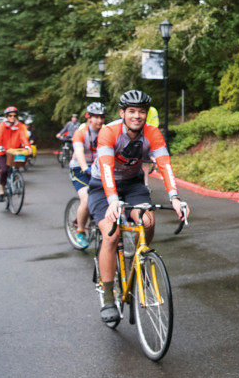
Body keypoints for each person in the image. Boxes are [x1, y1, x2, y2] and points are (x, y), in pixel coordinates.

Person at [87, 90, 188, 323]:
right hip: (103, 187)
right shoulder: (109, 132)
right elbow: (105, 169)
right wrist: (113, 201)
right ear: (122, 113)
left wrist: (174, 197)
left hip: (132, 184)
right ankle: (109, 297)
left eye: (141, 111)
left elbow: (164, 165)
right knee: (111, 235)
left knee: (148, 220)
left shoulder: (152, 133)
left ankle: (139, 260)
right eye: (131, 111)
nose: (137, 116)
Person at [69, 102, 106, 248]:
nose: (99, 120)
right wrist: (85, 167)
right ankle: (80, 231)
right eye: (96, 117)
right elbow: (78, 152)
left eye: (102, 117)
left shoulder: (106, 131)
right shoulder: (81, 132)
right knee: (87, 199)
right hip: (80, 170)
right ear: (88, 117)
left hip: (99, 169)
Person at [0, 107, 31, 202]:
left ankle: (15, 179)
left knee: (16, 167)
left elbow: (23, 137)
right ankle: (2, 190)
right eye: (10, 115)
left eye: (14, 115)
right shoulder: (2, 126)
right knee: (4, 170)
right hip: (2, 151)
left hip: (14, 152)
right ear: (6, 116)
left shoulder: (20, 126)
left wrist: (27, 146)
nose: (12, 117)